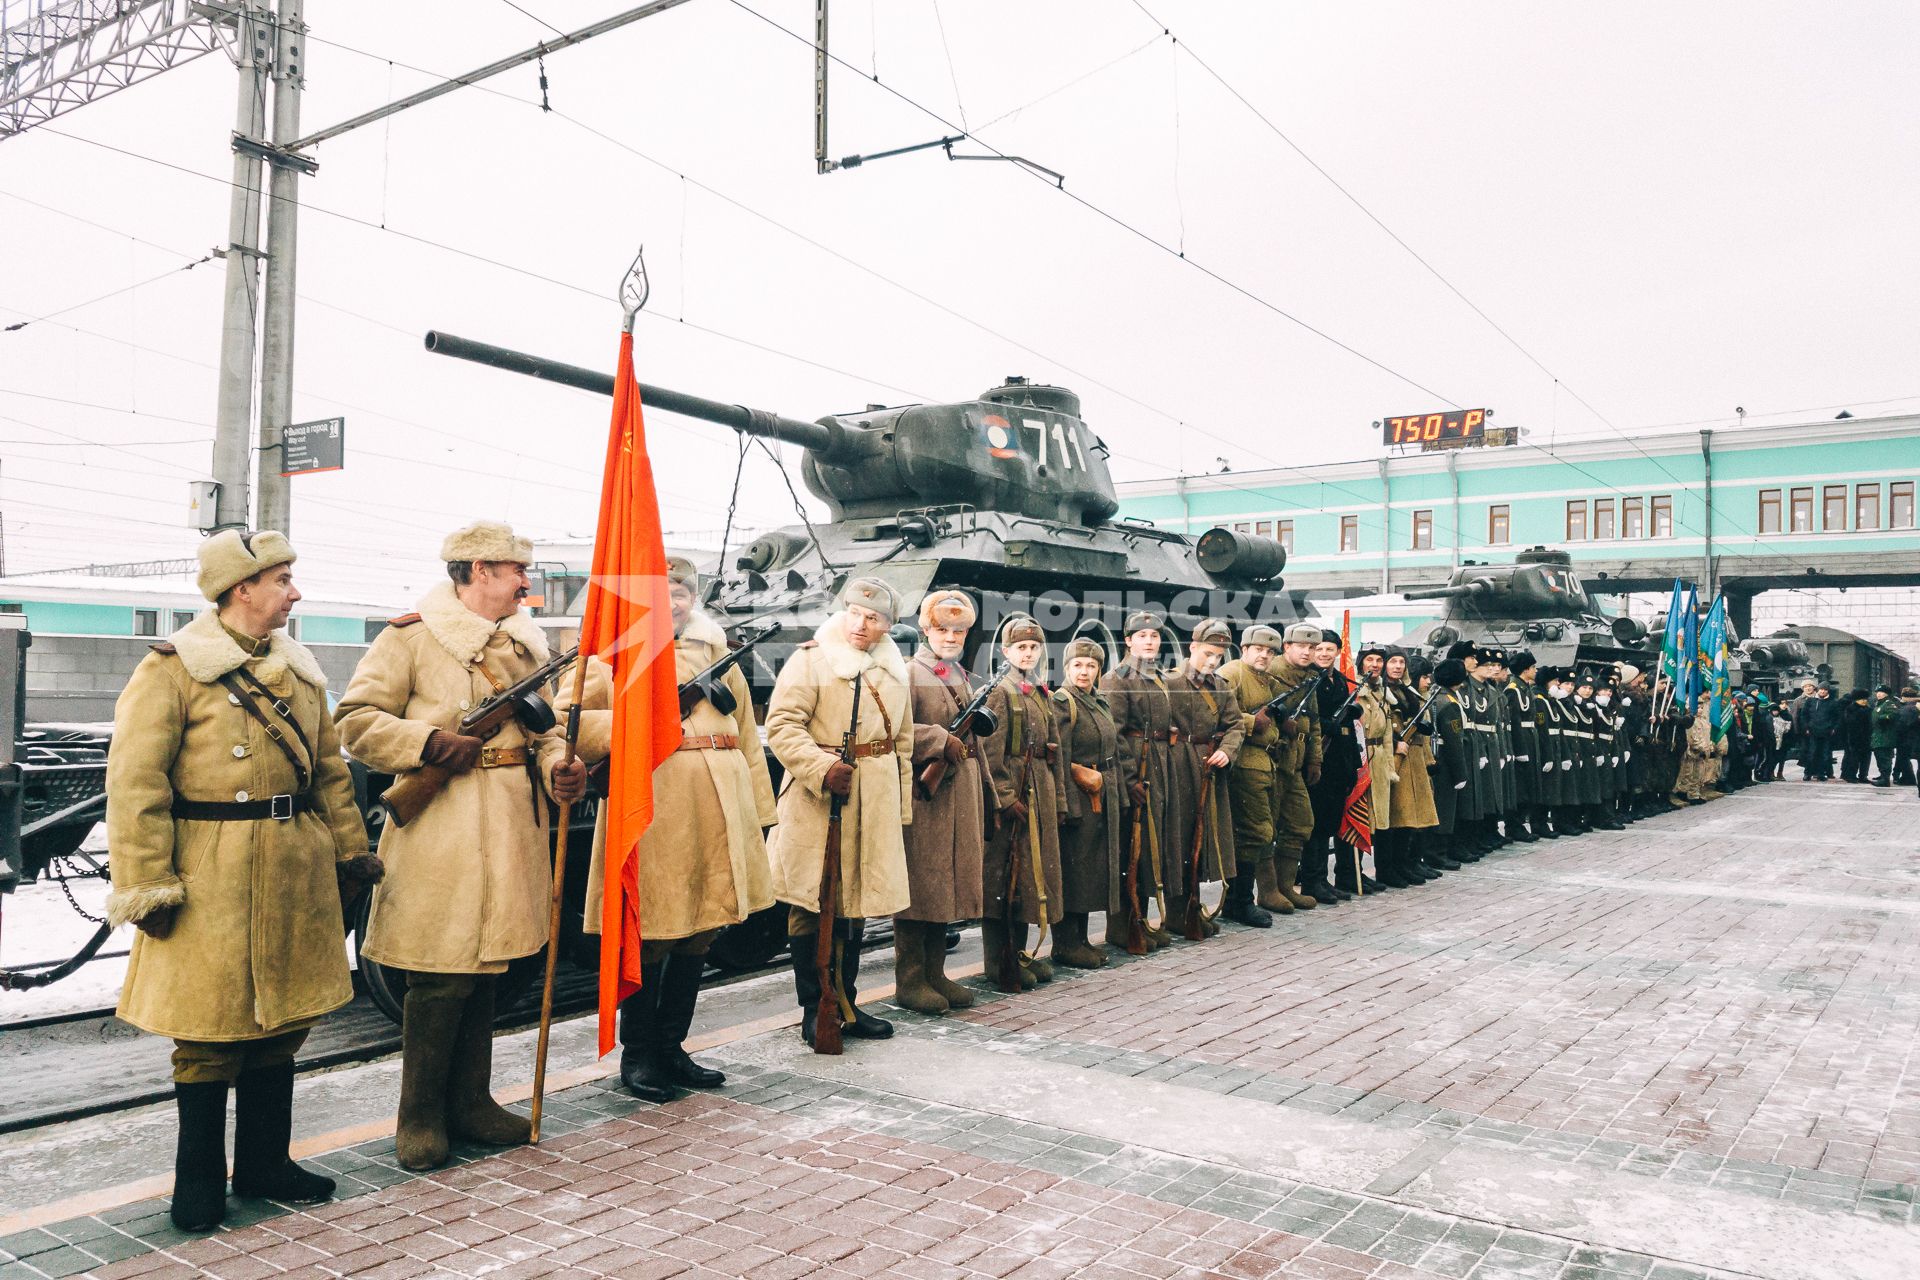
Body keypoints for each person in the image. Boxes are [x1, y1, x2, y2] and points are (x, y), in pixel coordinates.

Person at [106, 529, 380, 1231]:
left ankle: (265, 1164)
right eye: (283, 579)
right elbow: (136, 788)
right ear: (241, 589)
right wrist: (146, 883)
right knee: (206, 1032)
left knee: (283, 1021)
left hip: (294, 866)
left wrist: (351, 854)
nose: (295, 592)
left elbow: (329, 776)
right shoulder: (171, 670)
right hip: (210, 870)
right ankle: (196, 1181)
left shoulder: (301, 671)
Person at [337, 521, 585, 1171]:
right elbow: (356, 723)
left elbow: (546, 731)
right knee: (439, 975)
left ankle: (472, 1102)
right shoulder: (411, 638)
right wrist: (427, 745)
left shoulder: (526, 647)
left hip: (509, 826)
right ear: (476, 571)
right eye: (513, 571)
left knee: (489, 970)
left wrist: (562, 767)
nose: (526, 583)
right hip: (442, 823)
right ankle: (418, 1116)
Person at [555, 557, 776, 1099]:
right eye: (663, 592)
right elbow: (570, 721)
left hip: (721, 807)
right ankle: (640, 1054)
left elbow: (747, 736)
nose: (673, 602)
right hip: (656, 810)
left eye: (681, 592)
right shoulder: (612, 652)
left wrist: (758, 815)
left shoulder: (717, 653)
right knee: (651, 931)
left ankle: (673, 1047)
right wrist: (639, 721)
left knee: (703, 929)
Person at [763, 576, 915, 1045]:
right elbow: (782, 725)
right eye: (854, 612)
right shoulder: (811, 660)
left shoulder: (893, 671)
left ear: (887, 626)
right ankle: (816, 1008)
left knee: (855, 904)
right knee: (813, 902)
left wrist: (900, 809)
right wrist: (821, 768)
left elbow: (901, 744)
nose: (860, 624)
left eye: (873, 618)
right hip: (818, 798)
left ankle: (846, 1004)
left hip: (874, 802)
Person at [893, 590, 989, 1012]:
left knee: (944, 886)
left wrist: (987, 790)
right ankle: (910, 981)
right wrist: (937, 739)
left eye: (958, 631)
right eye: (941, 629)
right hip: (925, 796)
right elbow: (895, 730)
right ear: (925, 630)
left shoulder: (958, 675)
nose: (950, 637)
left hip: (957, 793)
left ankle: (935, 975)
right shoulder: (909, 673)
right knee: (922, 886)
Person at [978, 615, 1067, 987]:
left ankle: (1019, 953)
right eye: (1021, 648)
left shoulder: (1039, 691)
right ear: (1006, 651)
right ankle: (999, 963)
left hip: (1040, 791)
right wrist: (1005, 797)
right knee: (1005, 878)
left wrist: (1058, 799)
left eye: (1033, 647)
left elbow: (1054, 750)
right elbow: (990, 751)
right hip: (1016, 794)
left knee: (1031, 879)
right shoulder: (1001, 692)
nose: (1028, 653)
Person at [1162, 619, 1245, 935]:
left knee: (1202, 836)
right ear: (1192, 647)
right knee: (1179, 837)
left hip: (1209, 768)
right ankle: (1177, 912)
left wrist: (1228, 750)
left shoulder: (1221, 687)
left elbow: (1236, 724)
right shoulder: (1169, 683)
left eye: (1219, 657)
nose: (1212, 662)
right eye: (1207, 654)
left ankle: (1191, 907)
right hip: (1177, 766)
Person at [1104, 612, 1178, 948]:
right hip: (1136, 768)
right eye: (1142, 635)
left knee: (1150, 843)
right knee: (1130, 846)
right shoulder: (1118, 678)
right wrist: (1130, 778)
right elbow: (1115, 734)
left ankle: (1140, 919)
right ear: (1128, 640)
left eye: (1154, 636)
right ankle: (1122, 928)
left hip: (1158, 765)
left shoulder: (1156, 676)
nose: (1149, 641)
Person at [1053, 637, 1124, 962]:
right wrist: (1066, 805)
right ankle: (1067, 944)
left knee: (1090, 871)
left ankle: (1081, 939)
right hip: (1078, 798)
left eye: (1091, 666)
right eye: (1078, 665)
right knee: (1075, 871)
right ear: (1067, 667)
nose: (1084, 671)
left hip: (1099, 794)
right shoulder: (1063, 702)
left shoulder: (1098, 700)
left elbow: (1112, 749)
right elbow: (1061, 757)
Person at [1308, 632, 1367, 898]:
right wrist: (1323, 722)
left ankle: (1324, 880)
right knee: (1316, 824)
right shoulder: (1309, 680)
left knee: (1330, 821)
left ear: (1338, 652)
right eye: (1318, 649)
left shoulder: (1342, 681)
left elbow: (1349, 727)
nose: (1323, 654)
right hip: (1319, 757)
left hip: (1340, 759)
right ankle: (1312, 880)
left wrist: (1354, 762)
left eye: (1329, 649)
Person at [1384, 652, 1444, 875]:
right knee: (1398, 817)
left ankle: (1409, 863)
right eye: (1393, 662)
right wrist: (1395, 741)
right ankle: (1395, 866)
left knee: (1413, 818)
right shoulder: (1386, 692)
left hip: (1415, 757)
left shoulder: (1408, 693)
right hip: (1398, 757)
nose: (1398, 667)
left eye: (1402, 662)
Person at [1355, 644, 1409, 885]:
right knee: (1361, 816)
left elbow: (1387, 732)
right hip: (1362, 756)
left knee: (1382, 818)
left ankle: (1384, 870)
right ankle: (1354, 874)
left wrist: (1388, 763)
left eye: (1378, 660)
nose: (1374, 664)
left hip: (1380, 757)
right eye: (1370, 660)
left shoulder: (1382, 692)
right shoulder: (1356, 689)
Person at [1428, 659, 1474, 861]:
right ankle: (1438, 853)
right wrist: (1461, 773)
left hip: (1437, 759)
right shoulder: (1450, 704)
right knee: (1445, 809)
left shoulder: (1437, 696)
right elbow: (1454, 741)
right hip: (1446, 763)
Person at [1503, 651, 1543, 842]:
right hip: (1522, 741)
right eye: (1533, 667)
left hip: (1530, 738)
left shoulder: (1525, 688)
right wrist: (1519, 750)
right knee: (1520, 787)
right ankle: (1514, 825)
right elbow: (1514, 721)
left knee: (1529, 784)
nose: (1535, 671)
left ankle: (1520, 824)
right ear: (1526, 669)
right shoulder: (1513, 690)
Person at [1801, 684, 1839, 781]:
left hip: (1826, 732)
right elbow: (1804, 715)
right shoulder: (1810, 701)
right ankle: (1807, 773)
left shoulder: (1833, 703)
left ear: (1828, 691)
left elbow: (1837, 717)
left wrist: (1833, 728)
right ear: (1818, 690)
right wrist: (1806, 727)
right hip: (1813, 731)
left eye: (1825, 690)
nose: (1822, 691)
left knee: (1824, 754)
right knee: (1812, 753)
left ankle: (1821, 773)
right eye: (1821, 689)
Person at [1868, 686, 1899, 787]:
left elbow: (1893, 715)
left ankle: (1885, 779)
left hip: (1885, 735)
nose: (1879, 694)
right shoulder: (1879, 704)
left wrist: (1882, 718)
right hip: (1878, 735)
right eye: (1877, 692)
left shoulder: (1888, 703)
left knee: (1884, 757)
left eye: (1881, 692)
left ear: (1887, 694)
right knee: (1879, 756)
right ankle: (1883, 775)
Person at [1839, 689, 1871, 783]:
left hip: (1866, 737)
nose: (1864, 701)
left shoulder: (1869, 709)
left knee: (1866, 758)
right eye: (1861, 699)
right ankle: (1851, 775)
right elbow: (1850, 723)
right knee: (1854, 758)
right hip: (1854, 737)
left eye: (1865, 699)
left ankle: (1863, 776)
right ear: (1856, 699)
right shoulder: (1850, 709)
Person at [1894, 686, 1920, 786]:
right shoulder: (1915, 706)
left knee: (1903, 757)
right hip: (1914, 738)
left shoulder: (1907, 708)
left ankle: (1908, 778)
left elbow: (1902, 724)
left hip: (1907, 738)